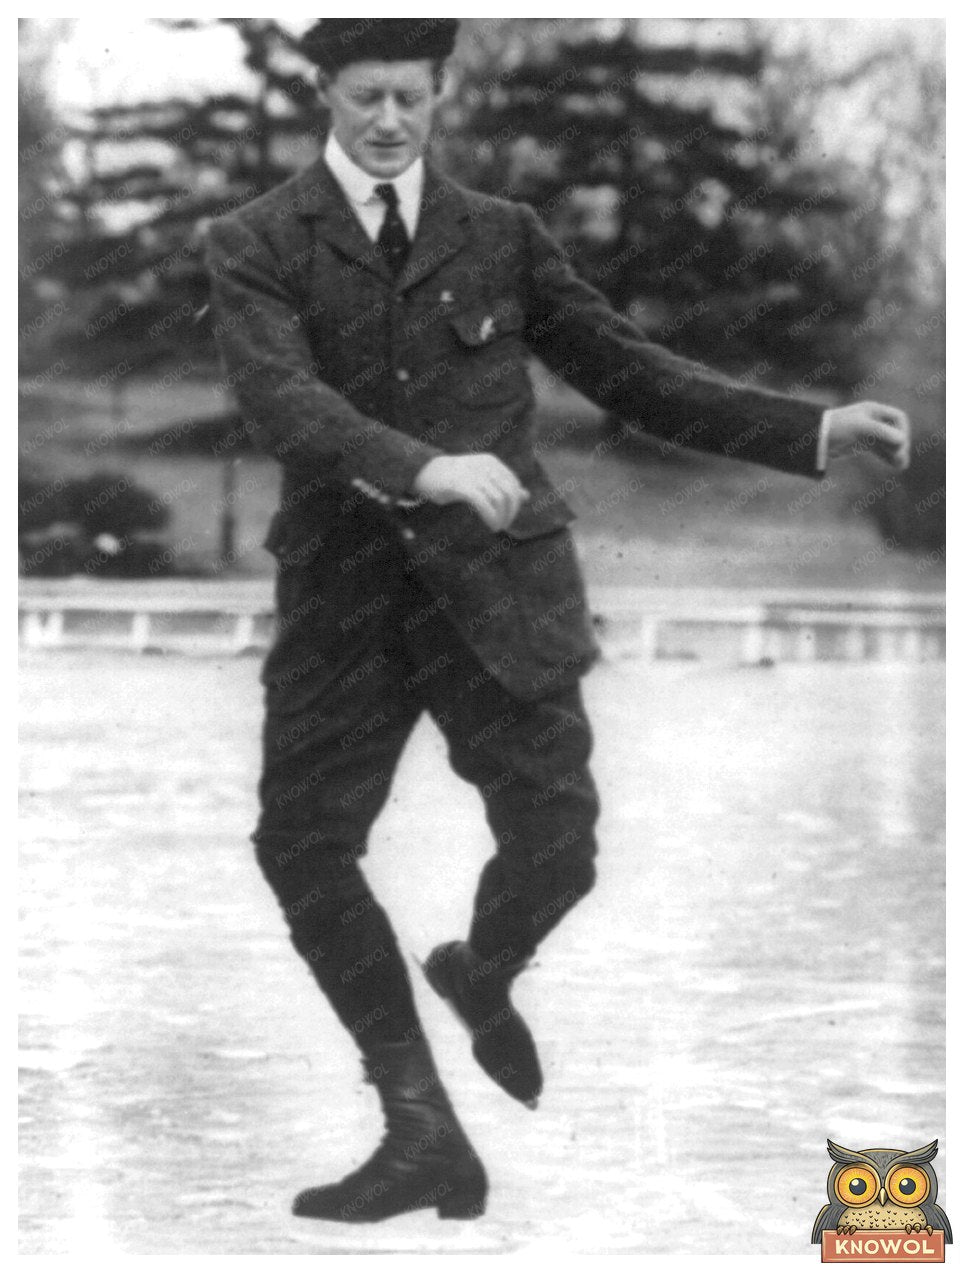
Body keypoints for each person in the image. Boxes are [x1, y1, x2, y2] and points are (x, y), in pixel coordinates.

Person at [204, 17, 910, 1224]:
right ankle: (420, 1127)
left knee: (561, 843)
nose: (387, 122)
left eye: (409, 99)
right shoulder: (256, 241)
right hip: (346, 601)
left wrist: (807, 429)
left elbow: (633, 373)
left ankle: (483, 968)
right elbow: (284, 398)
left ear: (439, 95)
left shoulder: (501, 237)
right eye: (365, 96)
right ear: (324, 91)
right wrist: (419, 463)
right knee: (303, 847)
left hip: (499, 594)